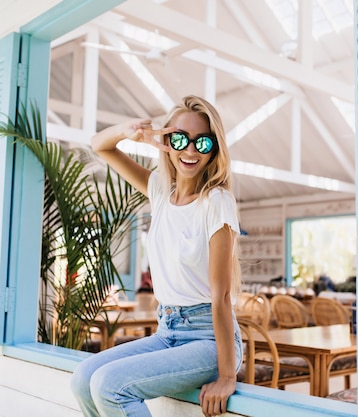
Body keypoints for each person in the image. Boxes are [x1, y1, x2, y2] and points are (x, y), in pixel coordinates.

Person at [70, 95, 243, 417]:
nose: (190, 151)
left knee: (110, 385)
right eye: (180, 139)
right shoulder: (161, 191)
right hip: (167, 330)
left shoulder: (217, 201)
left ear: (215, 149)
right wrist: (128, 131)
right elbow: (100, 145)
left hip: (207, 338)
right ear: (167, 142)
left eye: (202, 143)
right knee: (83, 378)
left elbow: (222, 296)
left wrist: (227, 375)